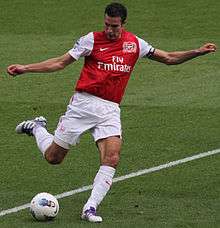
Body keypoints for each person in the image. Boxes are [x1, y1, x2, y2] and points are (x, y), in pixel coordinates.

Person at [7, 2, 216, 223]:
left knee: (112, 157)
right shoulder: (92, 39)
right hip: (83, 105)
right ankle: (37, 127)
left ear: (123, 24)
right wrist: (26, 68)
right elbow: (60, 62)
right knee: (53, 157)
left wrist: (197, 52)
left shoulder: (135, 44)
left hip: (110, 109)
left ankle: (90, 207)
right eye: (107, 24)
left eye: (114, 26)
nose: (109, 30)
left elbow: (169, 58)